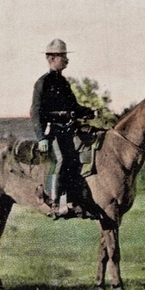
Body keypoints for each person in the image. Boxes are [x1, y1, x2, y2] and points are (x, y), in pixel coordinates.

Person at [30, 38, 94, 217]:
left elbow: (73, 107)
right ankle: (54, 202)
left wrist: (90, 112)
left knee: (76, 159)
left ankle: (73, 201)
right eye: (63, 56)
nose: (67, 59)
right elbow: (35, 112)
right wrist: (41, 137)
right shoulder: (42, 82)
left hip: (67, 130)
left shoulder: (64, 82)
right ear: (52, 58)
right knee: (61, 159)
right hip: (52, 131)